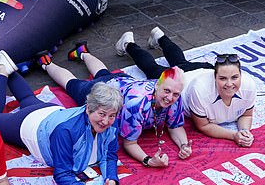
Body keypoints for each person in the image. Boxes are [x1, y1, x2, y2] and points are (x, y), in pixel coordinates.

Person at [0, 46, 123, 185]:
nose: (106, 121)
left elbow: (110, 155)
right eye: (102, 114)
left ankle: (5, 63)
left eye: (111, 116)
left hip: (51, 112)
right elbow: (62, 173)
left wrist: (111, 181)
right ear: (88, 108)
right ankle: (2, 71)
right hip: (31, 124)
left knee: (27, 98)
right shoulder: (66, 131)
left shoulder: (111, 122)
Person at [39, 42, 193, 168]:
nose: (170, 98)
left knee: (103, 72)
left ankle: (82, 52)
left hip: (121, 81)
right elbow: (130, 143)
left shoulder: (173, 94)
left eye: (175, 94)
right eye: (166, 91)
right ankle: (46, 63)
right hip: (106, 93)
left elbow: (175, 126)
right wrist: (148, 160)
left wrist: (184, 145)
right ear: (157, 86)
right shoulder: (137, 105)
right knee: (73, 84)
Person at [116, 28, 256, 147]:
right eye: (223, 78)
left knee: (181, 61)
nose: (230, 84)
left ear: (241, 76)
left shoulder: (249, 86)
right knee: (152, 68)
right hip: (185, 79)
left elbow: (247, 114)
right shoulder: (200, 91)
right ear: (215, 77)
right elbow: (203, 126)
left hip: (202, 69)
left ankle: (160, 36)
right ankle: (128, 44)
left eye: (234, 77)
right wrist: (233, 135)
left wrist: (244, 131)